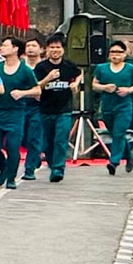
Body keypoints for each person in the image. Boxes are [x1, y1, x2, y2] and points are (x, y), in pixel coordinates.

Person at [28, 37, 81, 183]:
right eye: (52, 48)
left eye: (58, 48)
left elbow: (79, 74)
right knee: (47, 142)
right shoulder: (41, 67)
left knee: (60, 139)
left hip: (63, 109)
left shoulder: (68, 66)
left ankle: (58, 168)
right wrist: (48, 78)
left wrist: (75, 84)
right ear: (46, 49)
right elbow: (36, 86)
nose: (55, 51)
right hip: (45, 109)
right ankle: (52, 164)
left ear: (63, 49)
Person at [0, 37, 40, 190]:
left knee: (12, 147)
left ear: (15, 49)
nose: (2, 48)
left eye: (5, 45)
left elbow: (37, 90)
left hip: (16, 113)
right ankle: (2, 168)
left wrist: (23, 93)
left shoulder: (25, 70)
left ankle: (11, 178)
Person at [90, 41, 133, 174]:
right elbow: (94, 84)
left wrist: (129, 90)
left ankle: (114, 161)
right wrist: (104, 87)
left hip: (124, 106)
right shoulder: (102, 68)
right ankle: (128, 152)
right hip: (107, 106)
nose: (116, 55)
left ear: (125, 54)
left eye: (119, 52)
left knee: (119, 132)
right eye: (113, 52)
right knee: (114, 132)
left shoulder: (131, 69)